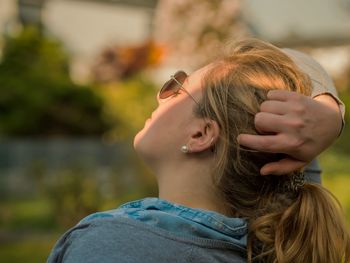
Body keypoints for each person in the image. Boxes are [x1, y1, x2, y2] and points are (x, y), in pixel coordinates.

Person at [47, 39, 349, 263]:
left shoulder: (114, 246)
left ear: (201, 134)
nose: (160, 95)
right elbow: (297, 60)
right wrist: (331, 116)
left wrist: (330, 112)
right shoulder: (270, 242)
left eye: (177, 87)